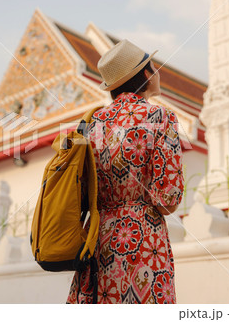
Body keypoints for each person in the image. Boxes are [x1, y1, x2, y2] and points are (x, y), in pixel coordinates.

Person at [66, 39, 184, 304]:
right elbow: (168, 199)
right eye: (154, 66)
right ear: (145, 73)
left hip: (97, 239)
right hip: (142, 240)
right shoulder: (160, 118)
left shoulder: (91, 124)